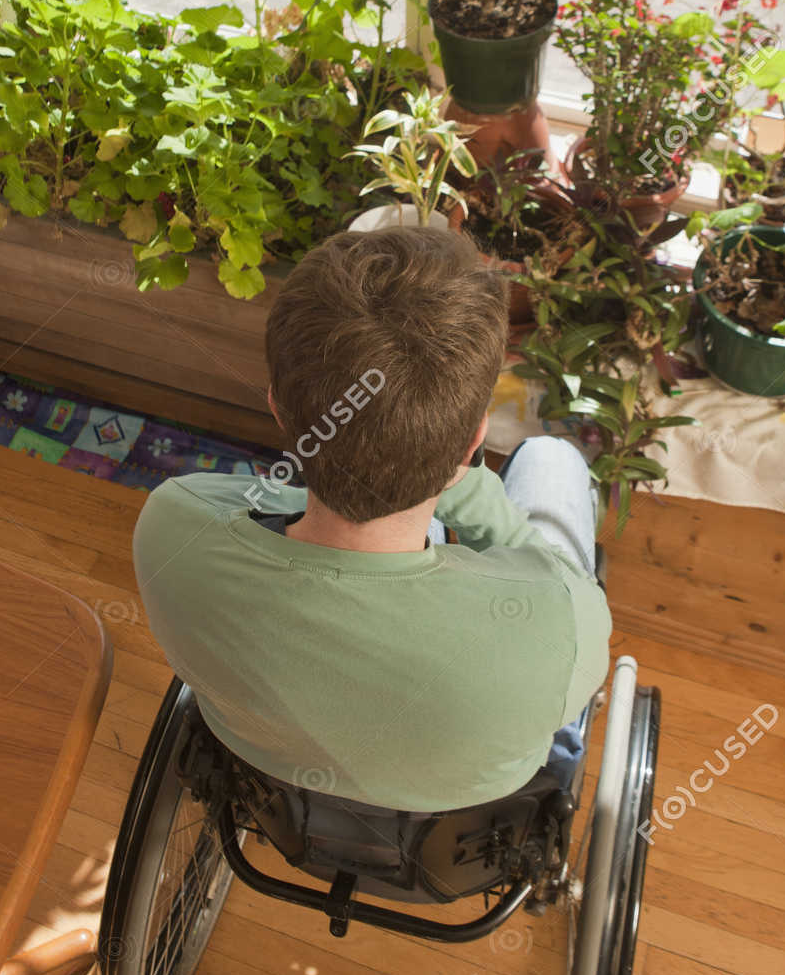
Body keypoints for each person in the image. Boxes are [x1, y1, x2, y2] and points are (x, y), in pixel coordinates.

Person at [133, 226, 612, 813]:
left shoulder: (173, 523)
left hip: (264, 769)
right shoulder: (562, 625)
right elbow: (551, 571)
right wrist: (466, 486)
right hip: (467, 806)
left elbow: (263, 500)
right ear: (474, 444)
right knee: (551, 458)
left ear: (279, 408)